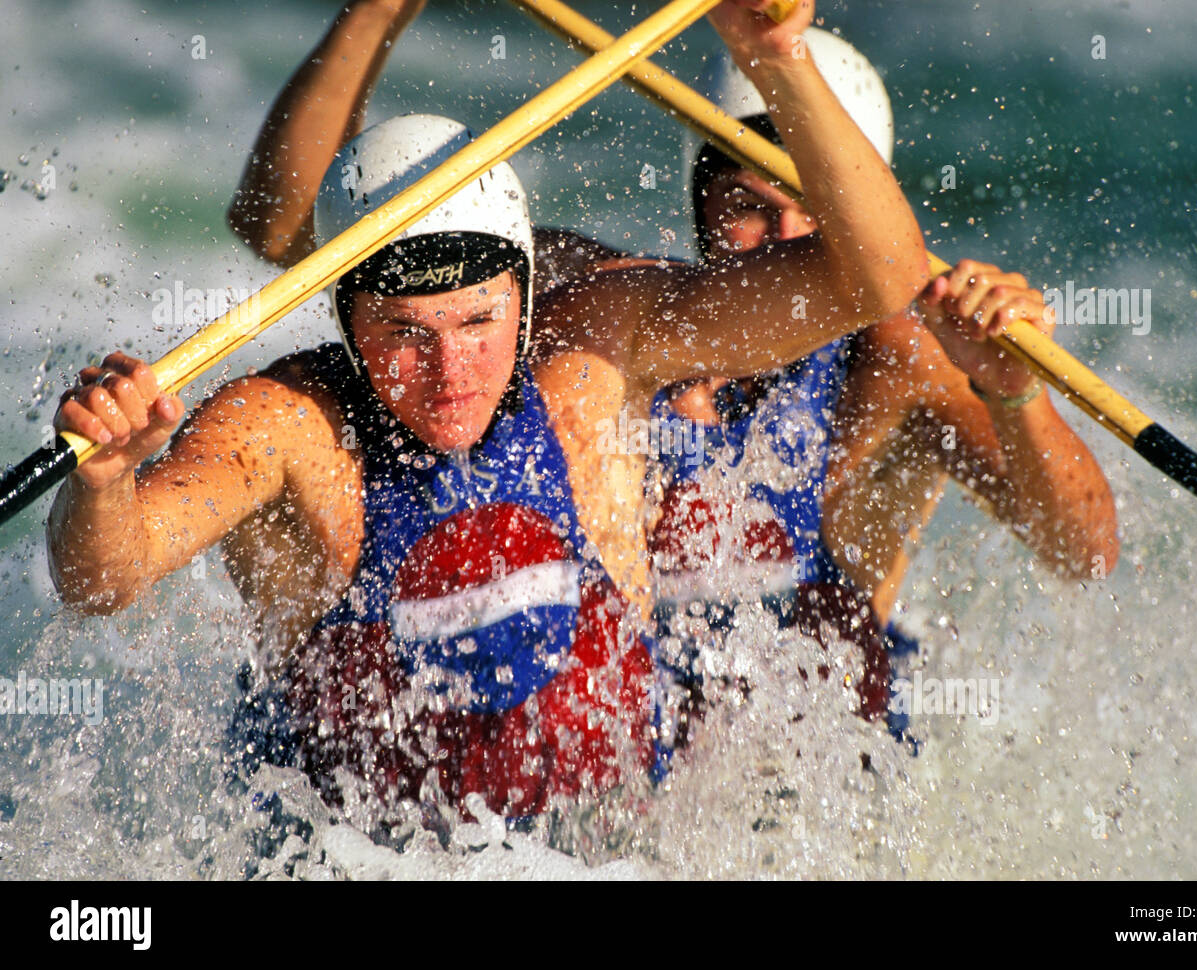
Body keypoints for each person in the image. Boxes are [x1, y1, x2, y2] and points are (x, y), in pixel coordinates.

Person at [46, 0, 930, 826]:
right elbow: (99, 583)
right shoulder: (284, 425)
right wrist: (107, 479)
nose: (450, 371)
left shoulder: (597, 353)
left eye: (479, 321)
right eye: (404, 334)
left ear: (529, 289)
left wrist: (777, 59)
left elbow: (879, 278)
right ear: (345, 314)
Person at [647, 30, 1120, 749]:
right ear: (697, 206)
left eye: (816, 207)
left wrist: (1015, 392)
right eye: (746, 204)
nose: (787, 237)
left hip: (837, 782)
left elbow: (1084, 554)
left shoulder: (897, 360)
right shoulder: (629, 338)